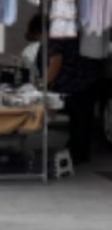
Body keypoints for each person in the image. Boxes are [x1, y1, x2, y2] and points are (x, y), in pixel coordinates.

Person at [26, 14, 99, 164]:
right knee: (82, 121)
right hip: (87, 79)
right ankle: (79, 153)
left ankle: (77, 155)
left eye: (38, 37)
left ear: (41, 31)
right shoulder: (68, 32)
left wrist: (43, 85)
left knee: (79, 121)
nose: (40, 41)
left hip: (77, 83)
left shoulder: (55, 39)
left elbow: (56, 63)